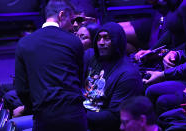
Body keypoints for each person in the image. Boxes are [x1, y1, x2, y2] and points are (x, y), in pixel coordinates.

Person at [15, 0, 87, 130]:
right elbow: (79, 79)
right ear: (61, 15)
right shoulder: (74, 41)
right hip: (74, 115)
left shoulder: (24, 43)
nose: (72, 27)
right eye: (71, 21)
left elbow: (22, 89)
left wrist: (30, 108)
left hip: (44, 116)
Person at [83, 22, 144, 131]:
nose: (101, 43)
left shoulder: (128, 75)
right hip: (82, 115)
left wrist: (77, 114)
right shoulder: (90, 57)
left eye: (107, 38)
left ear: (117, 42)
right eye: (99, 38)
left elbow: (114, 117)